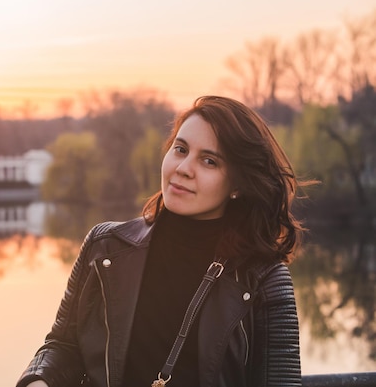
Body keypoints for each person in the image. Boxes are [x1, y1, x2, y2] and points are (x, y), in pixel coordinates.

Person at [17, 96, 306, 387]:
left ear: (238, 185)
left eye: (209, 161)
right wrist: (39, 380)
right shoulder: (104, 247)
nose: (183, 168)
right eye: (180, 149)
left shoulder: (264, 279)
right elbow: (63, 346)